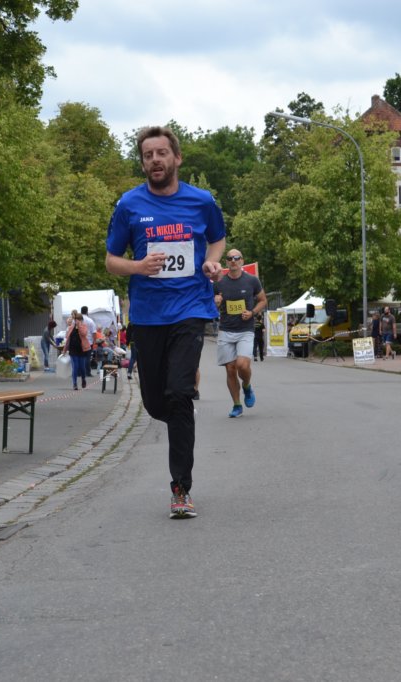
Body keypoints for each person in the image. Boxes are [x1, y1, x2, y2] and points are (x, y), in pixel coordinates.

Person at [105, 125, 226, 519]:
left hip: (190, 309)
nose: (155, 160)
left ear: (176, 157)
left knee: (178, 394)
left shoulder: (201, 201)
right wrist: (138, 266)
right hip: (147, 315)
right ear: (143, 163)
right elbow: (111, 261)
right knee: (157, 403)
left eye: (161, 153)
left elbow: (217, 239)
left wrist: (211, 262)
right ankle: (178, 415)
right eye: (147, 155)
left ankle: (181, 488)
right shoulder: (129, 205)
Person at [214, 248, 266, 418]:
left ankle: (247, 386)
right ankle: (237, 405)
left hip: (245, 330)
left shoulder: (251, 280)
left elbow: (263, 300)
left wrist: (252, 312)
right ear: (226, 262)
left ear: (242, 260)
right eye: (230, 258)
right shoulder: (219, 283)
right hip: (226, 330)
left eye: (237, 258)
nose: (233, 261)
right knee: (230, 369)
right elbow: (209, 306)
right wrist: (215, 302)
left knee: (242, 365)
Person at [63, 309, 90, 390]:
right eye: (76, 320)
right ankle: (74, 384)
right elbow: (68, 339)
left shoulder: (84, 326)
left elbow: (84, 334)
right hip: (73, 350)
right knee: (75, 367)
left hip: (82, 349)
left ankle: (83, 379)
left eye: (79, 320)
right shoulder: (71, 327)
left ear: (81, 320)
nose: (77, 321)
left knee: (82, 367)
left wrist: (79, 326)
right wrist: (64, 350)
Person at [80, 305, 97, 376]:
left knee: (80, 357)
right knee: (87, 357)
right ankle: (87, 372)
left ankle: (80, 372)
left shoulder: (77, 320)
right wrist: (94, 341)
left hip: (79, 341)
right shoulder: (90, 321)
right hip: (89, 342)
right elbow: (94, 332)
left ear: (81, 311)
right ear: (87, 312)